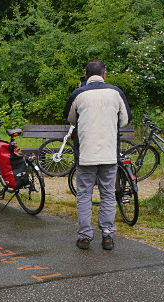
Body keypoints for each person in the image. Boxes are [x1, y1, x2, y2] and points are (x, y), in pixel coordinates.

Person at [64, 60, 130, 251]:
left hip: (85, 154)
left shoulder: (78, 94)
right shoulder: (115, 92)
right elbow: (124, 121)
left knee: (84, 195)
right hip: (109, 154)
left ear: (85, 76)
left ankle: (85, 236)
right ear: (104, 74)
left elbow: (70, 119)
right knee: (108, 194)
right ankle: (107, 235)